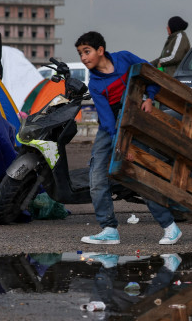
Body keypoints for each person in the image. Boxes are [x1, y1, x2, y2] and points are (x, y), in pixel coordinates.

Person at [75, 31, 182, 245]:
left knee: (140, 175)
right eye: (80, 54)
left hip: (135, 123)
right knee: (96, 177)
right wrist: (122, 148)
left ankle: (171, 227)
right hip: (111, 129)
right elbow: (106, 121)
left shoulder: (124, 58)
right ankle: (108, 229)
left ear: (100, 50)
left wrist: (149, 97)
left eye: (87, 52)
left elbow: (151, 73)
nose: (84, 58)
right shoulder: (95, 84)